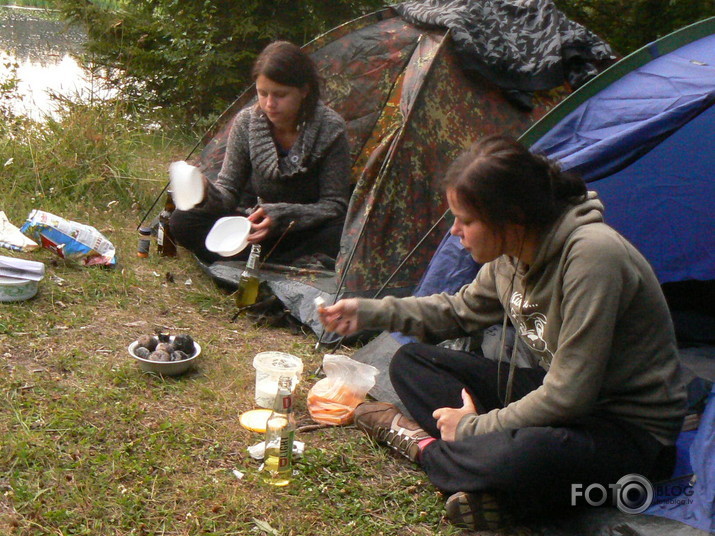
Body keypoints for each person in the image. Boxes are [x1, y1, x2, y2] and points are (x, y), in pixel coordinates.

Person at [318, 135, 687, 531]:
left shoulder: (592, 256)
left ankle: (425, 447)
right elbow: (456, 311)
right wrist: (370, 311)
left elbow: (569, 395)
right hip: (565, 404)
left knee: (519, 457)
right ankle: (490, 478)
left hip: (626, 429)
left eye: (466, 220)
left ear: (511, 217)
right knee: (412, 362)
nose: (456, 231)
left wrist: (472, 428)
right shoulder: (511, 258)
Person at [171, 41, 351, 265]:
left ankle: (258, 260)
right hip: (255, 222)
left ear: (304, 91)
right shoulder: (247, 122)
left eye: (280, 95)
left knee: (343, 231)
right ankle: (283, 262)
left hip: (304, 228)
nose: (269, 104)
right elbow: (229, 191)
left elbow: (334, 204)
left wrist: (283, 216)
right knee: (182, 220)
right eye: (262, 93)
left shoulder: (330, 128)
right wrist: (206, 192)